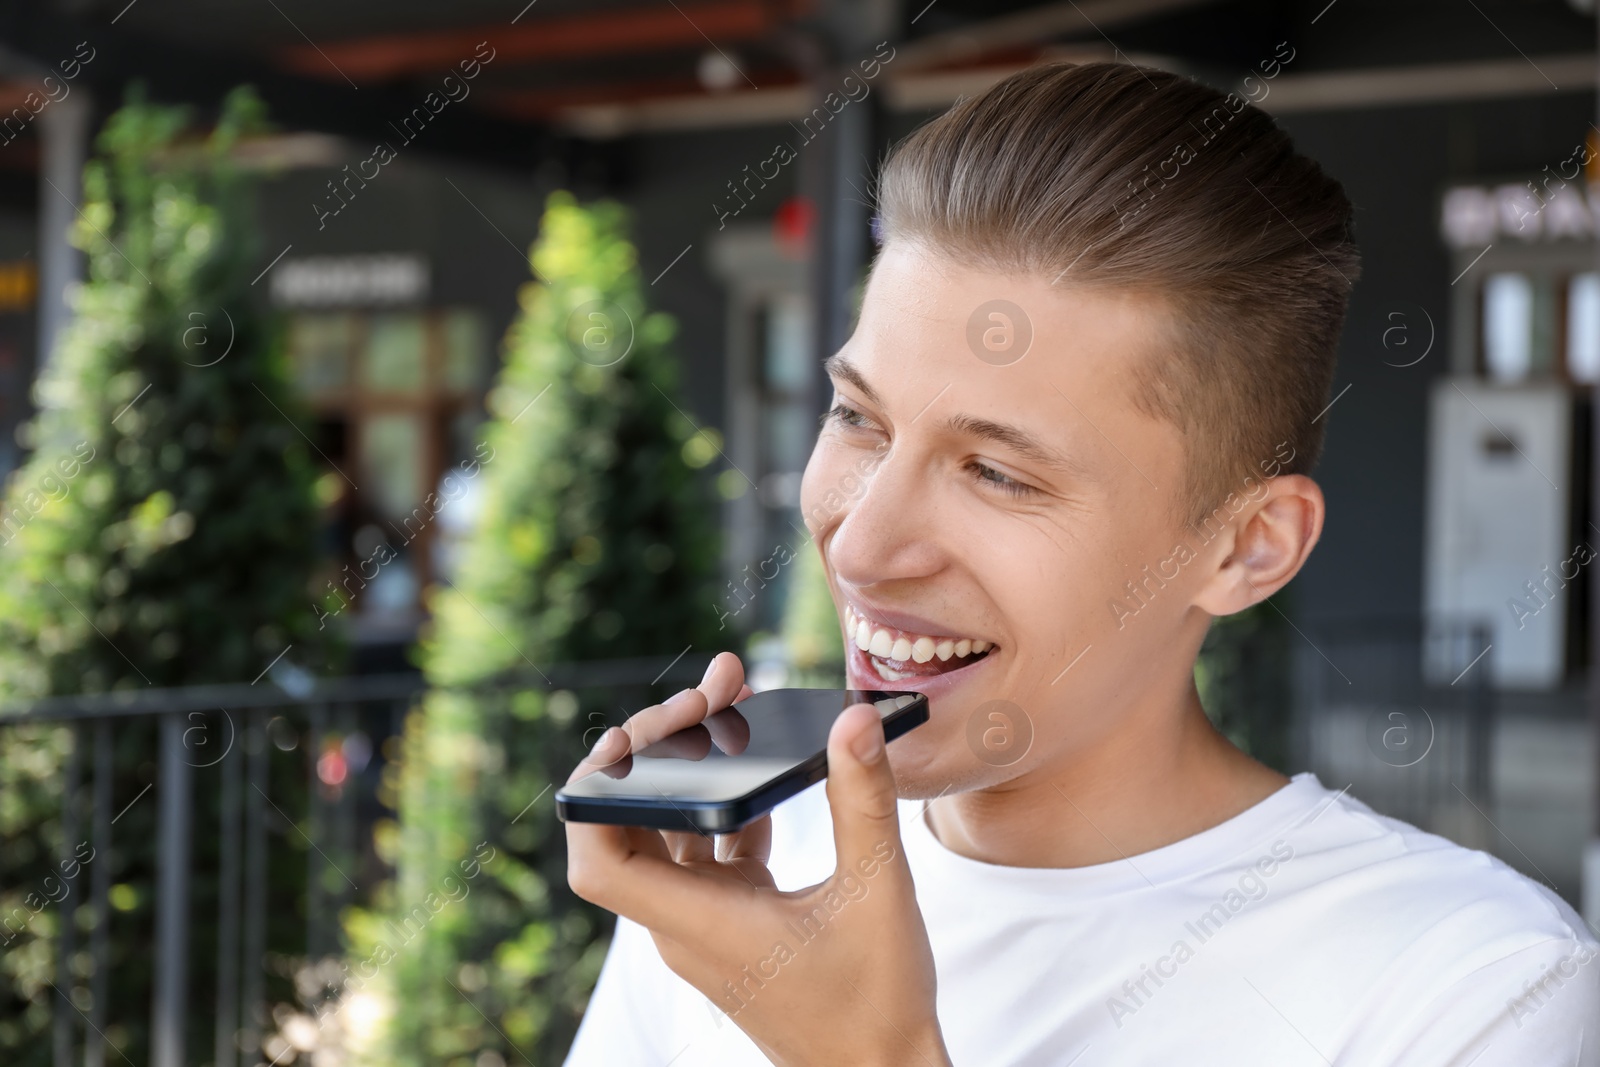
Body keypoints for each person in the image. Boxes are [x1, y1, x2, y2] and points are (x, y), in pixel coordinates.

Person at [561, 60, 1600, 1065]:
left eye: (997, 472)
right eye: (858, 417)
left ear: (1246, 546)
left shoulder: (1473, 986)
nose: (863, 545)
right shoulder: (742, 883)